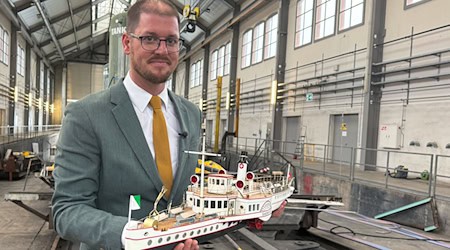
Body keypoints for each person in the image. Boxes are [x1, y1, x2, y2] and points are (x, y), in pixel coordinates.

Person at [52, 0, 201, 249]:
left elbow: (183, 195)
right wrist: (134, 235)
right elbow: (67, 210)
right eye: (149, 39)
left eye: (171, 40)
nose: (162, 50)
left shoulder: (191, 114)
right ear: (126, 43)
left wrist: (255, 210)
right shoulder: (86, 115)